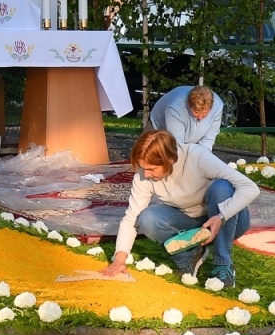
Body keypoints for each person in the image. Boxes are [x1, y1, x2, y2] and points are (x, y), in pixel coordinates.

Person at [101, 128, 257, 286]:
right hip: (192, 224)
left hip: (229, 221)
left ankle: (223, 265)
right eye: (143, 168)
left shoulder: (197, 156)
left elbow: (250, 188)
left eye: (151, 169)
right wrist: (120, 258)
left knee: (222, 187)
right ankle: (189, 257)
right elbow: (131, 218)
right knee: (147, 218)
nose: (146, 174)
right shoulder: (143, 176)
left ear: (169, 159)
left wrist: (221, 216)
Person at [147, 84, 223, 151]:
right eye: (196, 112)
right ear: (189, 105)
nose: (200, 117)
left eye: (205, 113)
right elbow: (177, 144)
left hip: (187, 139)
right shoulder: (176, 108)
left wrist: (202, 157)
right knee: (147, 156)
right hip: (158, 128)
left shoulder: (217, 107)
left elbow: (208, 139)